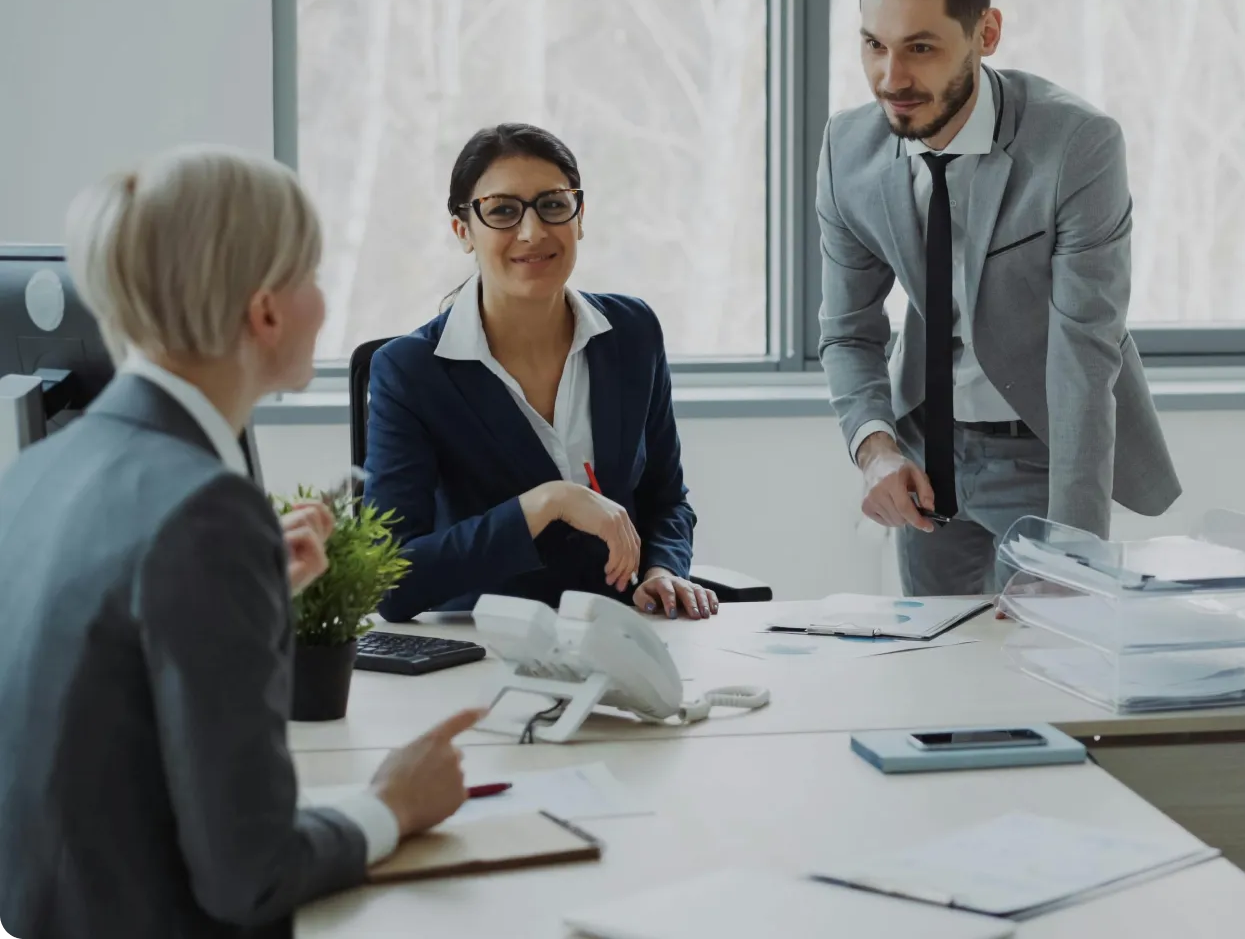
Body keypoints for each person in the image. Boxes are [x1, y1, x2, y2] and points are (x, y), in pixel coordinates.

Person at [0, 147, 485, 939]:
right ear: (266, 312)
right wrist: (391, 804)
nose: (326, 306)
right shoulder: (205, 513)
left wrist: (249, 598)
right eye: (316, 278)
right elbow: (249, 875)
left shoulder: (38, 471)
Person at [816, 0, 1181, 597]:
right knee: (937, 671)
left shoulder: (1077, 147)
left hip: (1043, 448)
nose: (890, 79)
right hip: (926, 448)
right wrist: (876, 449)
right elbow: (848, 331)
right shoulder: (849, 151)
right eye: (875, 45)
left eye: (920, 48)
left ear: (986, 34)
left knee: (1053, 663)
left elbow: (1084, 353)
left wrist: (1076, 551)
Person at [365, 123, 715, 622]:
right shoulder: (411, 372)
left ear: (580, 217)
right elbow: (389, 578)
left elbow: (666, 500)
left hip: (625, 637)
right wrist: (547, 502)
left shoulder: (632, 333)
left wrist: (662, 568)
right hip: (486, 650)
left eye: (553, 205)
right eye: (503, 211)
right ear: (463, 230)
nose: (532, 232)